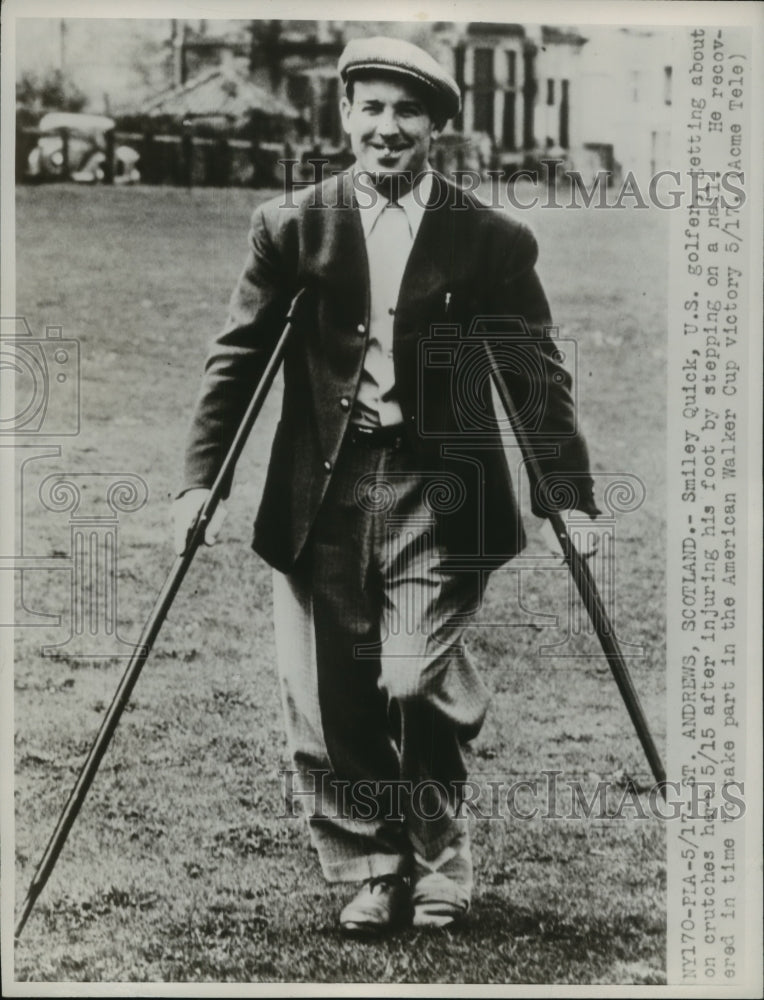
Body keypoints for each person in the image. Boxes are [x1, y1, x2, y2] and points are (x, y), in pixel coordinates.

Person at [173, 35, 599, 936]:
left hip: (440, 487)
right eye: (370, 107)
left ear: (437, 126)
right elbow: (237, 358)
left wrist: (569, 492)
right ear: (347, 116)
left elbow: (534, 373)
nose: (387, 127)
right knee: (330, 692)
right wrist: (198, 483)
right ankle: (373, 867)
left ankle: (441, 846)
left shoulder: (490, 238)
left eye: (407, 111)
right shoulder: (292, 225)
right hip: (320, 485)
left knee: (407, 675)